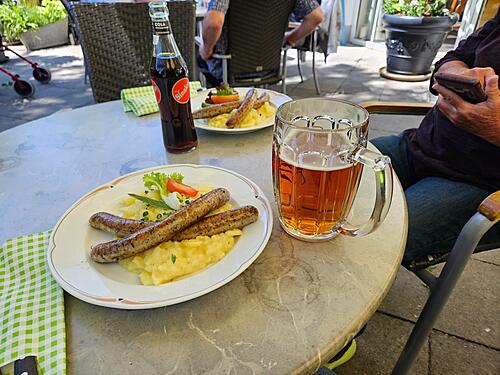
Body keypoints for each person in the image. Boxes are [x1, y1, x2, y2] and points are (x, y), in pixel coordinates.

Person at [372, 9, 500, 268]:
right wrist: (460, 75)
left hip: (475, 182)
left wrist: (494, 127)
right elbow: (452, 58)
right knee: (333, 171)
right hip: (417, 146)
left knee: (376, 238)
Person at [198, 0, 324, 86]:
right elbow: (316, 17)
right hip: (270, 66)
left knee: (198, 53)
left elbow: (213, 24)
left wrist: (206, 50)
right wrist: (290, 38)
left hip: (227, 68)